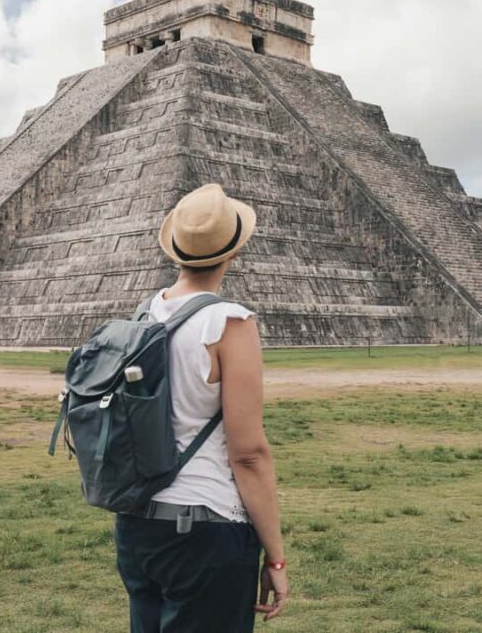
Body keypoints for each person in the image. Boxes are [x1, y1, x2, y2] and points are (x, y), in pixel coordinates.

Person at [114, 183, 289, 632]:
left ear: (175, 250)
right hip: (205, 530)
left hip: (137, 526)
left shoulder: (143, 317)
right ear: (233, 253)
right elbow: (248, 454)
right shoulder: (229, 323)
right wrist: (276, 557)